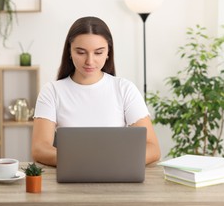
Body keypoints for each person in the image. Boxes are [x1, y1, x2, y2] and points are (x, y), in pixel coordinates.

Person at [31, 16, 161, 167]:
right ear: (69, 51)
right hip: (72, 178)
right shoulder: (52, 91)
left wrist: (113, 162)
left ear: (108, 52)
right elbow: (39, 149)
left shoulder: (124, 89)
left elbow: (153, 148)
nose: (90, 61)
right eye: (81, 52)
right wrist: (87, 161)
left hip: (116, 175)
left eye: (98, 52)